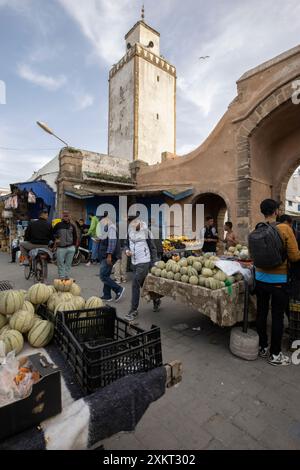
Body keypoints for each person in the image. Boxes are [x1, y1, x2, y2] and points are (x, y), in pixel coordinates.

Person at [250, 199, 300, 366]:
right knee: (277, 317)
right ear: (277, 211)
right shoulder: (285, 228)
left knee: (262, 313)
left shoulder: (257, 229)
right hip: (279, 281)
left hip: (260, 278)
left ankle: (263, 347)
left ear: (263, 212)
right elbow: (294, 257)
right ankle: (275, 354)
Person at [125, 216, 158, 323]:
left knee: (135, 282)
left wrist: (154, 262)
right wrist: (127, 251)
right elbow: (126, 245)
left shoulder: (146, 232)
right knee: (143, 284)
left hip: (144, 261)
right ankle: (156, 299)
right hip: (134, 263)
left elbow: (153, 247)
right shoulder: (129, 231)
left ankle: (133, 310)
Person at [98, 212, 125, 302]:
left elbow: (112, 242)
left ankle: (118, 289)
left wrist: (109, 255)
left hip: (109, 256)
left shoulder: (111, 227)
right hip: (105, 254)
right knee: (106, 274)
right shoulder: (106, 227)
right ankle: (107, 295)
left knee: (103, 275)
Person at [53, 211, 78, 280]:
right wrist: (56, 238)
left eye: (67, 215)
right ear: (62, 216)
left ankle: (66, 275)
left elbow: (75, 236)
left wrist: (74, 246)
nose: (66, 216)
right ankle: (61, 276)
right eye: (64, 215)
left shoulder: (72, 226)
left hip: (70, 247)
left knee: (68, 263)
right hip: (61, 248)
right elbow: (52, 233)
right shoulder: (58, 225)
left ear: (69, 216)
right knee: (60, 263)